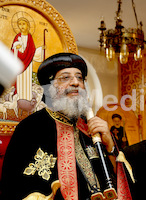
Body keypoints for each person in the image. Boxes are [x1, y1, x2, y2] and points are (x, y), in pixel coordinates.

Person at [0, 53, 116, 200]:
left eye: (80, 77)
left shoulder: (91, 128)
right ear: (50, 88)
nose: (75, 83)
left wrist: (110, 146)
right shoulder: (30, 128)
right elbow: (13, 187)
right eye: (66, 77)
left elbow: (118, 183)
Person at [11, 13, 45, 101]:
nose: (21, 26)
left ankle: (25, 98)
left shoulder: (30, 37)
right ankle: (17, 98)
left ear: (28, 25)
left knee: (26, 80)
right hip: (18, 63)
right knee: (19, 80)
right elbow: (12, 50)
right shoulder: (17, 36)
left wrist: (41, 49)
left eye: (23, 24)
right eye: (20, 24)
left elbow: (32, 51)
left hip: (28, 63)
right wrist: (16, 48)